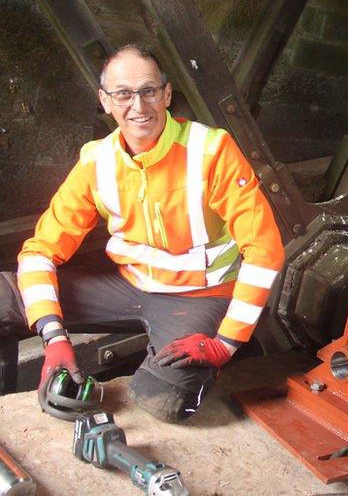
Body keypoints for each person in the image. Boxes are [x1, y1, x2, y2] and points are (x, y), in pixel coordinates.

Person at [0, 44, 284, 422]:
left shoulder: (211, 151)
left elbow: (265, 252)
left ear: (166, 94)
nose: (138, 105)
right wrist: (53, 336)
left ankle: (173, 369)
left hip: (199, 296)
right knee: (3, 297)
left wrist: (227, 342)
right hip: (127, 288)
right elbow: (40, 251)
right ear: (105, 100)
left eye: (149, 91)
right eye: (123, 94)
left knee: (166, 399)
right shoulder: (96, 161)